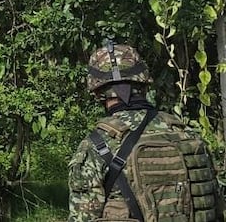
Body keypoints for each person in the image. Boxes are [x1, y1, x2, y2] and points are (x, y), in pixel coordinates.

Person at [67, 41, 223, 222]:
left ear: (97, 92)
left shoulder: (95, 146)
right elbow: (215, 205)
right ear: (144, 85)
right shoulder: (187, 133)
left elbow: (83, 217)